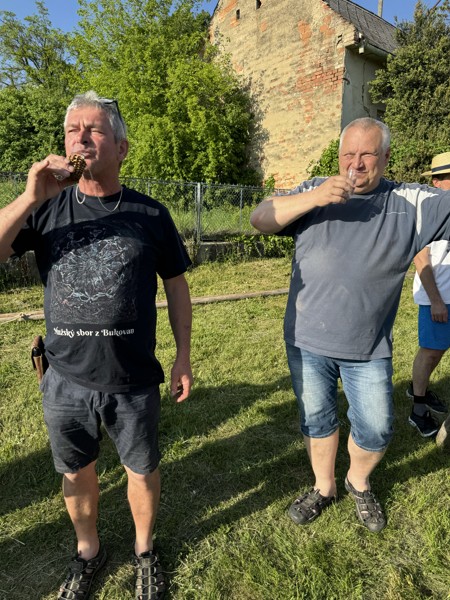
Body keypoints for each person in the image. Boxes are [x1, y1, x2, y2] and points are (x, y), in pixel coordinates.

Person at [0, 91, 193, 600]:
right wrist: (29, 198)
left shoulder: (151, 213)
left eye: (95, 129)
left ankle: (144, 550)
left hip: (132, 378)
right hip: (65, 379)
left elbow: (176, 285)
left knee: (141, 470)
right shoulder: (46, 208)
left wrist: (183, 356)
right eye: (73, 130)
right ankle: (89, 551)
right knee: (75, 471)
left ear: (121, 148)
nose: (81, 138)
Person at [250, 117, 450, 533]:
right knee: (317, 420)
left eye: (367, 155)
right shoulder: (314, 190)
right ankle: (323, 487)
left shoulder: (409, 202)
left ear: (386, 157)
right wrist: (315, 197)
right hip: (306, 340)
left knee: (376, 429)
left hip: (368, 347)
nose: (355, 165)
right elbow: (260, 217)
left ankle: (357, 482)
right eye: (348, 155)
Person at [407, 152, 450, 437]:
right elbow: (419, 257)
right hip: (437, 297)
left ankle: (417, 389)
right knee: (431, 351)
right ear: (437, 181)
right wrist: (436, 300)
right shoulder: (426, 212)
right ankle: (418, 409)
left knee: (440, 349)